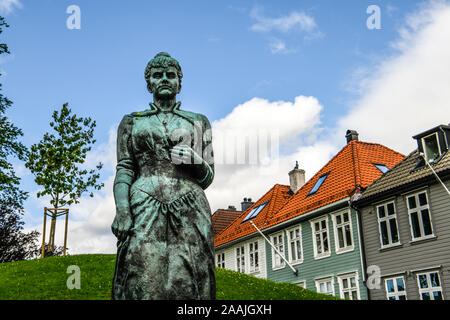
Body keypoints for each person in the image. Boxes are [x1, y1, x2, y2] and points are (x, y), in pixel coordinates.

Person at [111, 52, 215, 300]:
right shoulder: (131, 122)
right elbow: (125, 168)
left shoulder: (199, 121)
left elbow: (208, 176)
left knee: (192, 275)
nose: (165, 79)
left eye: (171, 75)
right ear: (149, 84)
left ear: (180, 82)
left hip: (191, 205)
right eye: (158, 76)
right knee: (142, 274)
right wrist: (123, 210)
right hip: (144, 203)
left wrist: (194, 159)